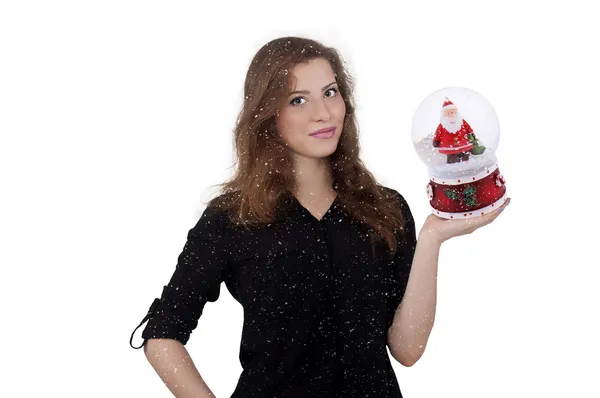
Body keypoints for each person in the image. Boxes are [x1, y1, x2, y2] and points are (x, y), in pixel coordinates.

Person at [129, 36, 510, 398]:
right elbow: (162, 335)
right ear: (267, 113)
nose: (323, 112)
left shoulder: (385, 210)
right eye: (298, 100)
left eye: (330, 92)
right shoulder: (232, 218)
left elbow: (408, 349)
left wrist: (431, 239)